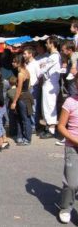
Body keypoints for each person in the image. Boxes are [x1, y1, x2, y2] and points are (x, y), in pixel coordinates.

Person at [57, 75, 78, 224]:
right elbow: (61, 126)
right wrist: (75, 140)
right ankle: (65, 207)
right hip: (73, 147)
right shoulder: (70, 102)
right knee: (71, 183)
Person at [39, 35, 62, 139]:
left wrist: (42, 67)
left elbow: (43, 68)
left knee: (50, 106)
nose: (46, 45)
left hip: (51, 84)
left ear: (52, 44)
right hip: (48, 83)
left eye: (47, 43)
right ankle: (48, 127)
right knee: (46, 107)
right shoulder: (52, 56)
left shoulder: (54, 56)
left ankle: (51, 129)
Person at [11, 54, 33, 145]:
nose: (12, 63)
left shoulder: (21, 74)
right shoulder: (26, 71)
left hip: (22, 97)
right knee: (21, 118)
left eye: (14, 62)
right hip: (26, 95)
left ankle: (27, 138)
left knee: (24, 119)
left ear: (19, 63)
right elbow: (28, 85)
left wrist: (14, 102)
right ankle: (20, 137)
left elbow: (19, 89)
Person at [23, 46, 41, 133]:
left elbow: (39, 75)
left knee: (34, 107)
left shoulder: (35, 63)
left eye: (25, 53)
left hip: (34, 87)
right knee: (29, 107)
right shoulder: (27, 64)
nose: (24, 55)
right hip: (28, 87)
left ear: (30, 54)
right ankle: (32, 124)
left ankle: (35, 125)